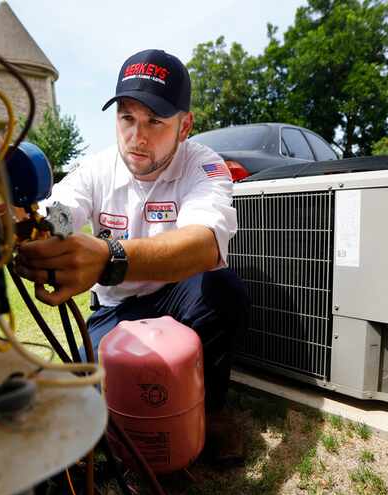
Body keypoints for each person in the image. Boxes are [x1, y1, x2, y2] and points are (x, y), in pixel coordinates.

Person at [14, 49, 250, 462]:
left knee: (223, 288)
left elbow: (205, 243)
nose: (137, 137)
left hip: (179, 297)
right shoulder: (96, 168)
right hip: (114, 307)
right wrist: (27, 225)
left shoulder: (204, 165)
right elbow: (61, 215)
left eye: (155, 121)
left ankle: (210, 411)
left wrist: (109, 258)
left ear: (185, 125)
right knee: (104, 397)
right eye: (127, 118)